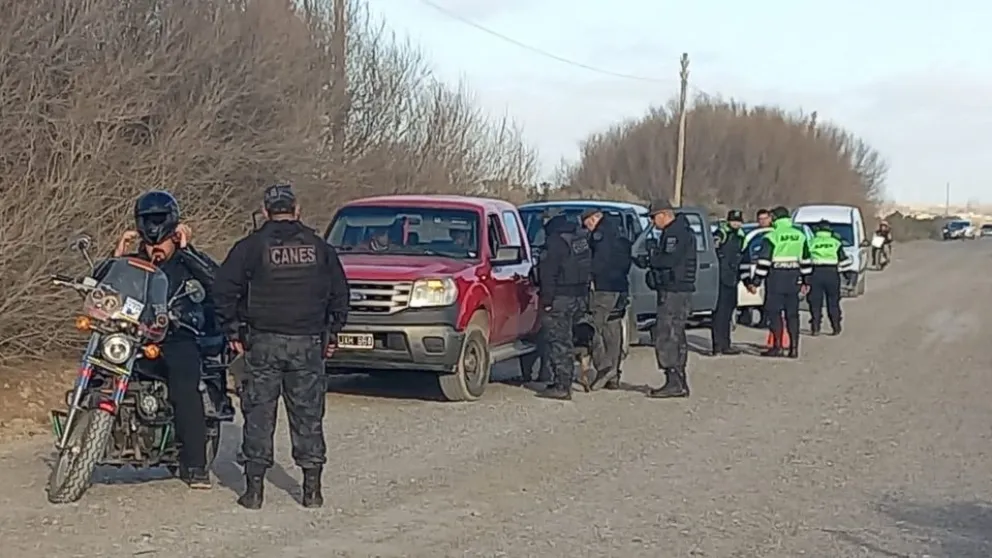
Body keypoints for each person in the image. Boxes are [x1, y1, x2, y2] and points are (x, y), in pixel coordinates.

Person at [213, 184, 350, 510]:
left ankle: (254, 492)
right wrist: (332, 332)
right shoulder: (320, 248)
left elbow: (223, 291)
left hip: (262, 342)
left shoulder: (250, 247)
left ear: (265, 211)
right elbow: (341, 295)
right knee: (308, 415)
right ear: (296, 209)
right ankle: (312, 491)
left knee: (259, 413)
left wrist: (232, 330)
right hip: (307, 344)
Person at [110, 190, 219, 489]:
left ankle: (196, 466)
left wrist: (187, 249)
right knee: (101, 367)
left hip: (176, 334)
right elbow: (105, 288)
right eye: (149, 239)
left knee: (184, 388)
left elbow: (216, 282)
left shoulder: (187, 261)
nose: (155, 247)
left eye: (161, 240)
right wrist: (117, 255)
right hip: (132, 335)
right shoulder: (132, 261)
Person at [634, 199, 696, 398]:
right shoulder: (680, 231)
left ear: (664, 214)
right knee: (675, 333)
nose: (652, 222)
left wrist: (651, 259)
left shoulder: (675, 234)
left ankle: (674, 381)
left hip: (674, 290)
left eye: (653, 218)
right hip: (676, 290)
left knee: (667, 334)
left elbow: (669, 260)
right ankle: (678, 380)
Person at [534, 213, 592, 400]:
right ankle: (566, 379)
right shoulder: (579, 240)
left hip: (561, 297)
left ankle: (562, 385)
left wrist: (547, 301)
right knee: (569, 339)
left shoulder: (555, 243)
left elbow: (548, 275)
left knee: (559, 341)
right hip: (580, 296)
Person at [747, 206, 812, 358]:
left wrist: (755, 282)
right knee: (792, 315)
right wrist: (806, 281)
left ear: (775, 218)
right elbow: (806, 260)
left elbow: (763, 262)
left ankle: (777, 347)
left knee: (774, 313)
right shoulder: (800, 236)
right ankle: (794, 348)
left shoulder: (771, 236)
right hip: (793, 278)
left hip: (775, 278)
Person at [580, 208, 632, 391]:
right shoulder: (620, 229)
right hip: (620, 286)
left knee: (592, 327)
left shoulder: (600, 235)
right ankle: (614, 375)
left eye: (587, 223)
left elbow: (598, 262)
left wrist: (587, 274)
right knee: (613, 330)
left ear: (595, 218)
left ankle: (604, 368)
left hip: (604, 287)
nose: (588, 228)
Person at [807, 220, 851, 336]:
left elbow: (805, 259)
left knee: (815, 302)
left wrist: (805, 277)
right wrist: (847, 275)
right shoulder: (835, 242)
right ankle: (836, 326)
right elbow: (844, 260)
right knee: (833, 301)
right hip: (832, 273)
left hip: (815, 273)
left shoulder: (811, 242)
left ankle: (815, 327)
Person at [711, 209, 745, 355]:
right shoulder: (722, 233)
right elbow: (714, 248)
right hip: (721, 278)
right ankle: (718, 346)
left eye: (738, 221)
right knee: (720, 314)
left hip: (733, 278)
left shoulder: (740, 236)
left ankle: (726, 344)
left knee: (728, 313)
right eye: (734, 221)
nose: (736, 223)